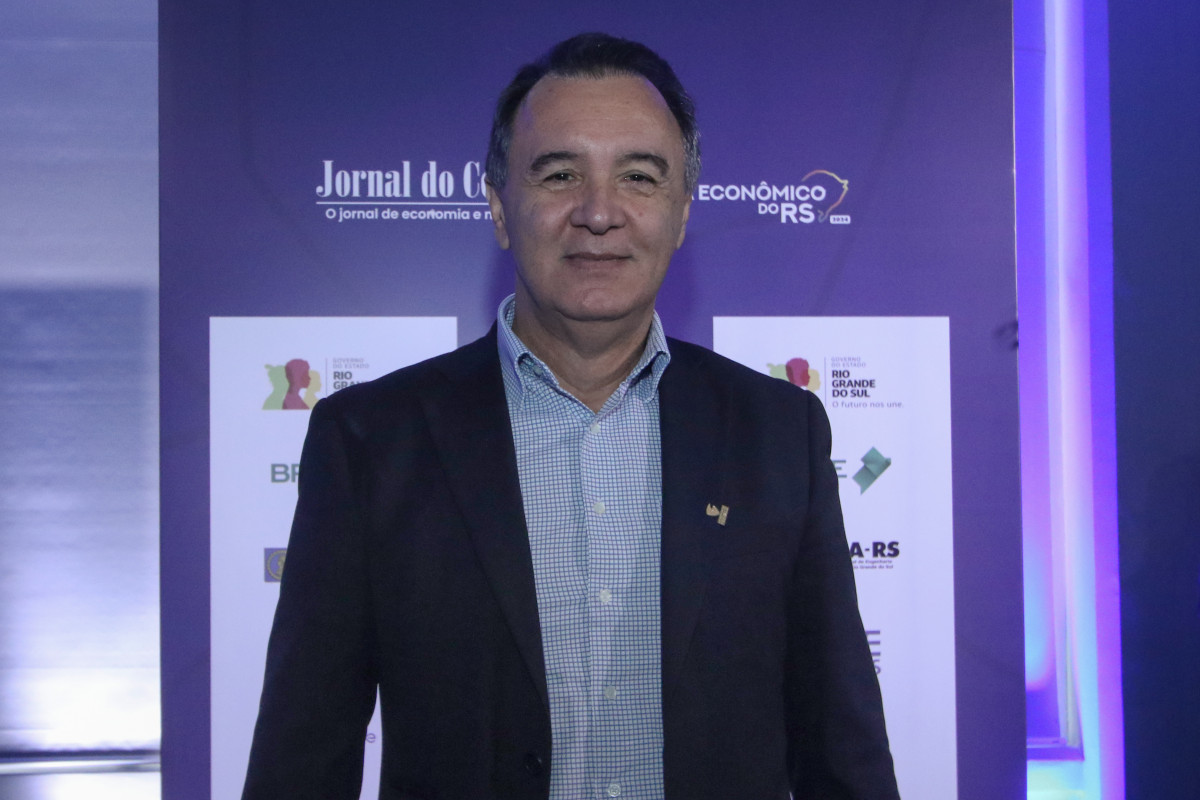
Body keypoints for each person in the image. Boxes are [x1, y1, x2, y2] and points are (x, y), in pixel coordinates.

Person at [243, 32, 899, 800]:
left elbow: (840, 745)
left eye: (639, 177)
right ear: (499, 207)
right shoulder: (370, 441)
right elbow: (303, 758)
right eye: (559, 174)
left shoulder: (780, 433)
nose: (598, 212)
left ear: (682, 213)